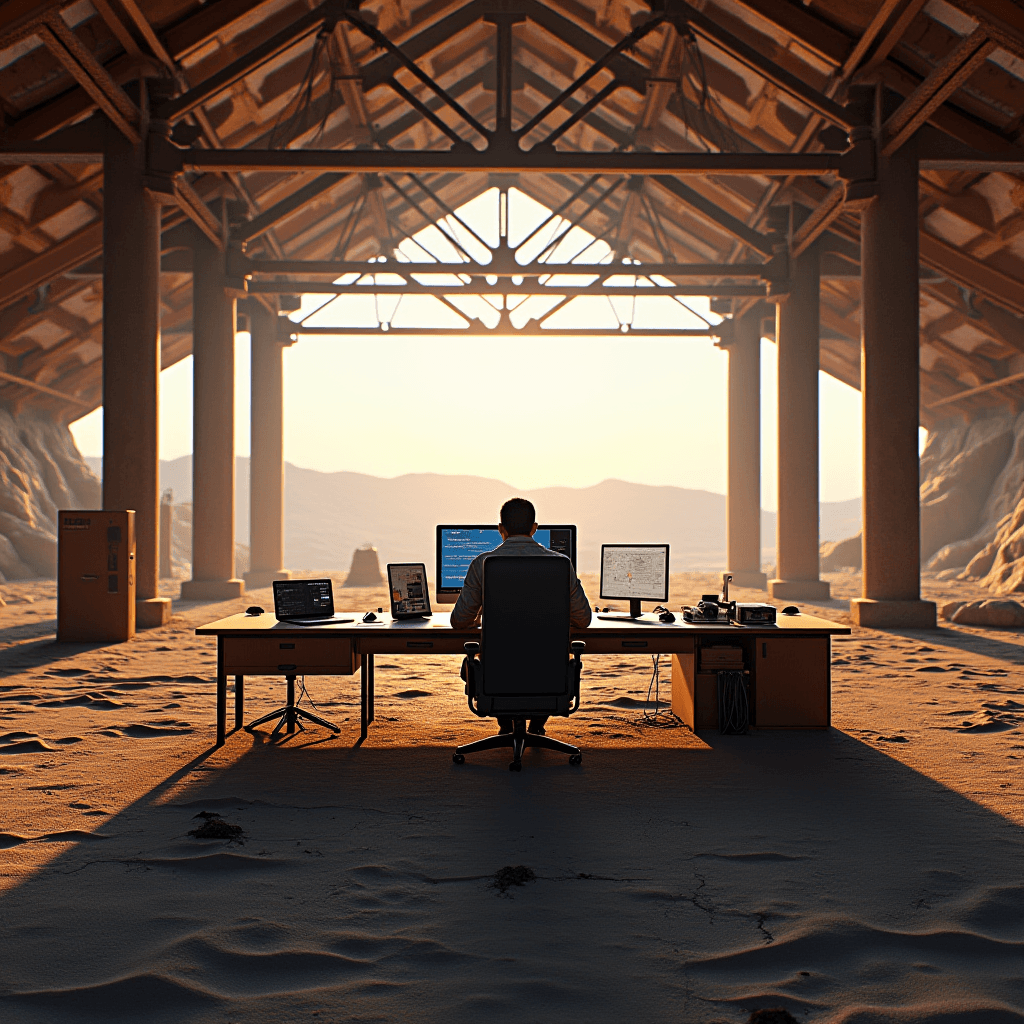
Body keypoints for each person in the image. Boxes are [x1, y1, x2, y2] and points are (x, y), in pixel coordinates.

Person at [451, 497, 591, 735]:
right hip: (549, 678)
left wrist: (479, 618)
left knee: (472, 664)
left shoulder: (481, 564)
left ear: (500, 530)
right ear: (534, 528)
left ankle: (506, 725)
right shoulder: (561, 564)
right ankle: (537, 724)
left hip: (497, 679)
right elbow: (583, 619)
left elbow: (459, 621)